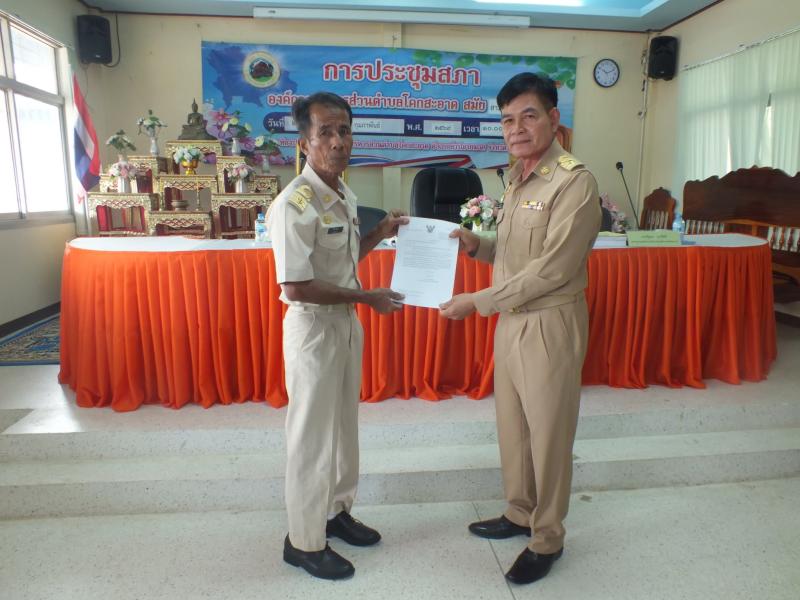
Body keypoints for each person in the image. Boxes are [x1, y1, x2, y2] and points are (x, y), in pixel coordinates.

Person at [440, 73, 601, 585]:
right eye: (508, 119)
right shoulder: (516, 178)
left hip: (549, 320)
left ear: (553, 119)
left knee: (549, 434)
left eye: (528, 116)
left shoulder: (574, 182)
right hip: (511, 321)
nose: (516, 128)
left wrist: (478, 302)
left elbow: (552, 270)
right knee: (514, 427)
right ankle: (518, 511)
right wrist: (477, 246)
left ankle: (547, 537)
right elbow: (513, 255)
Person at [268, 92, 407, 580]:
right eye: (325, 132)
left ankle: (335, 512)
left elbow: (344, 260)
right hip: (313, 328)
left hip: (346, 323)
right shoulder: (294, 204)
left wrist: (381, 231)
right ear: (304, 142)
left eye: (344, 130)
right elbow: (296, 285)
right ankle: (304, 541)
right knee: (311, 437)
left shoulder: (342, 194)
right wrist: (367, 297)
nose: (337, 141)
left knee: (344, 428)